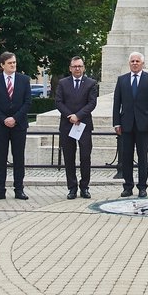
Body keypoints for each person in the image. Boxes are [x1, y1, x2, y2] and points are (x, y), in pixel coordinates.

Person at [0, 51, 32, 201]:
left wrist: (15, 118)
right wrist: (4, 119)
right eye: (10, 63)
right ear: (2, 65)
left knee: (19, 158)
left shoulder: (24, 80)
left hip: (19, 125)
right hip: (1, 126)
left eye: (14, 63)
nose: (13, 65)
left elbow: (27, 103)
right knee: (1, 158)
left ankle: (19, 189)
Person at [112, 51, 148, 197]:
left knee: (143, 157)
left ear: (142, 63)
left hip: (144, 125)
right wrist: (116, 123)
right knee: (126, 157)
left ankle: (142, 187)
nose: (135, 63)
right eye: (132, 61)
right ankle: (128, 186)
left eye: (137, 61)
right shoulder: (122, 80)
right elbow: (116, 103)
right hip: (126, 125)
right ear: (129, 63)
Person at [54, 56, 98, 199]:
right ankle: (71, 188)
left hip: (83, 125)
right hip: (67, 125)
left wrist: (78, 116)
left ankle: (84, 187)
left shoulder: (91, 83)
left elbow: (92, 103)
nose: (77, 69)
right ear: (70, 68)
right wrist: (70, 116)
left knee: (85, 157)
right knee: (69, 157)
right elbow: (59, 102)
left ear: (83, 68)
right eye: (75, 66)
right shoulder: (62, 83)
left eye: (80, 66)